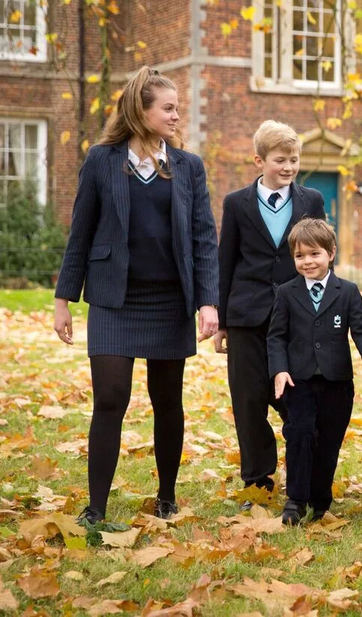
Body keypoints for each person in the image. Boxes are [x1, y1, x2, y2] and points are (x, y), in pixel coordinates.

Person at [53, 66, 220, 526]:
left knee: (168, 400)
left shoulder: (188, 166)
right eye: (167, 107)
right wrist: (63, 298)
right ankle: (96, 508)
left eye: (177, 107)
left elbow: (205, 237)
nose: (176, 115)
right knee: (110, 398)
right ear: (140, 110)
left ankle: (166, 497)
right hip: (113, 300)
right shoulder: (102, 160)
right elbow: (81, 232)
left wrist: (209, 301)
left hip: (169, 301)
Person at [214, 121, 326, 506]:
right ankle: (257, 481)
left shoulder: (311, 200)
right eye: (280, 160)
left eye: (294, 160)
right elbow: (225, 260)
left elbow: (323, 254)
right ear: (259, 160)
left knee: (297, 399)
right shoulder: (236, 203)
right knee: (248, 401)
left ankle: (305, 475)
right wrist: (222, 322)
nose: (289, 167)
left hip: (295, 318)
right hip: (247, 317)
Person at [267, 218, 362, 525]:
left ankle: (320, 499)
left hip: (337, 382)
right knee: (299, 435)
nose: (307, 261)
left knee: (328, 442)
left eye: (314, 254)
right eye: (300, 256)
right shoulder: (287, 293)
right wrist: (279, 369)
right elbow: (276, 336)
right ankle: (295, 500)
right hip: (297, 380)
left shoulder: (348, 291)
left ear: (331, 253)